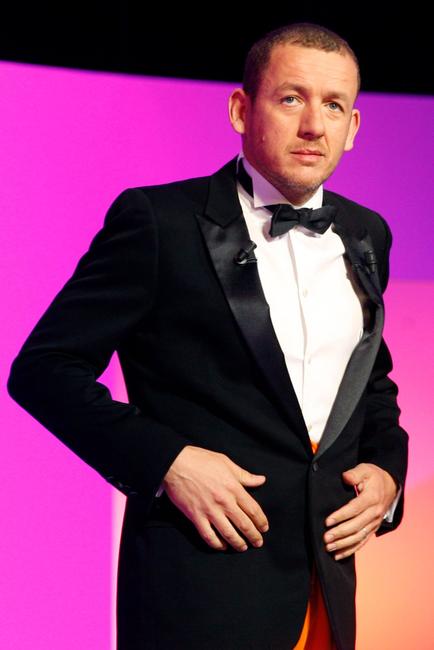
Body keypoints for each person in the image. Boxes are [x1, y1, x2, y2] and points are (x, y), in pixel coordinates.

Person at [7, 21, 408, 650]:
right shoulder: (158, 222)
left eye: (334, 106)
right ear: (241, 110)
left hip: (326, 585)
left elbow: (370, 382)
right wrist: (167, 460)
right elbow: (44, 368)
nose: (314, 125)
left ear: (353, 127)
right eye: (291, 98)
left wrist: (387, 473)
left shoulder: (366, 233)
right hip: (200, 589)